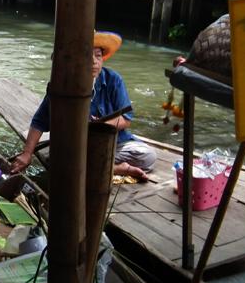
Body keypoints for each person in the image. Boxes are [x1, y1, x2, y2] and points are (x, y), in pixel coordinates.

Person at [11, 31, 157, 181]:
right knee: (64, 161)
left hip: (112, 145)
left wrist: (97, 127)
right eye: (87, 56)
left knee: (147, 156)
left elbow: (125, 119)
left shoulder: (113, 80)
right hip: (77, 149)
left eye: (98, 56)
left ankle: (103, 167)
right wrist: (27, 154)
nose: (94, 62)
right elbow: (39, 122)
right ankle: (116, 169)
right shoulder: (61, 86)